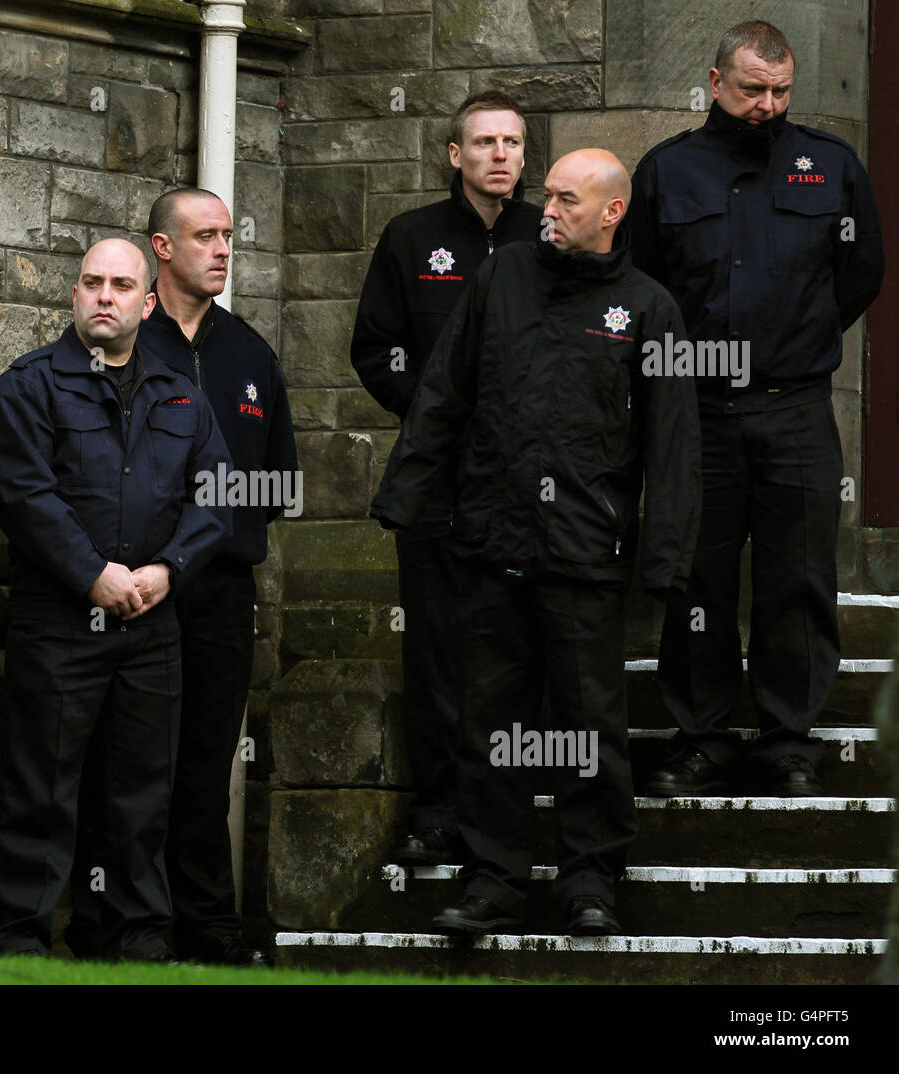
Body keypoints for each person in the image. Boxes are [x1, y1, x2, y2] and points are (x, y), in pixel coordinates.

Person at [371, 149, 701, 936]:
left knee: (590, 722)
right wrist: (407, 496)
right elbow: (445, 391)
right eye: (545, 195)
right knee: (491, 722)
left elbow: (675, 443)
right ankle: (494, 879)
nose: (544, 208)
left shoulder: (650, 308)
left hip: (587, 553)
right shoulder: (502, 278)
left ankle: (591, 876)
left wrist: (666, 561)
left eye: (565, 199)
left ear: (611, 212)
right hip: (491, 541)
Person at [629, 21, 884, 797]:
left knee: (798, 578)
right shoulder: (668, 171)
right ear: (714, 81)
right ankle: (699, 736)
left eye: (779, 91)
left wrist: (793, 340)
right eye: (751, 90)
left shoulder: (830, 166)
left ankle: (788, 741)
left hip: (796, 406)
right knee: (696, 580)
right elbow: (640, 285)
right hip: (699, 413)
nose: (766, 106)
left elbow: (860, 272)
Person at [0, 238, 231, 960]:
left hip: (154, 625)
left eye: (122, 285)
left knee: (141, 796)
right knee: (42, 791)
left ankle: (135, 943)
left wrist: (169, 570)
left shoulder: (181, 392)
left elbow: (215, 494)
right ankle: (21, 944)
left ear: (147, 304)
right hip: (58, 621)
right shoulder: (29, 387)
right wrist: (93, 573)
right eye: (91, 282)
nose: (104, 296)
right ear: (74, 296)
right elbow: (24, 497)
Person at [351, 91, 544, 865]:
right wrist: (436, 416)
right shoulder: (412, 238)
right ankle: (439, 810)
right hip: (437, 481)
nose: (501, 155)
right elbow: (375, 349)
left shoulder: (549, 235)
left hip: (531, 484)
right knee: (436, 648)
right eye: (486, 142)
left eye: (514, 142)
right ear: (453, 155)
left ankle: (514, 808)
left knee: (521, 645)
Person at [111, 187, 297, 966]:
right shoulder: (123, 342)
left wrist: (218, 508)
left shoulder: (250, 353)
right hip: (138, 588)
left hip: (221, 588)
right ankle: (126, 926)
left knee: (208, 760)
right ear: (162, 248)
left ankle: (209, 928)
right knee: (132, 762)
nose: (223, 248)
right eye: (205, 236)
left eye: (228, 235)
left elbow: (280, 483)